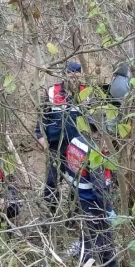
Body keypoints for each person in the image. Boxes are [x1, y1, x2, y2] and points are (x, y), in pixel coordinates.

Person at [63, 117, 122, 267]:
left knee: (87, 239)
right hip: (94, 201)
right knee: (103, 240)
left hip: (80, 198)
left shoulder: (75, 141)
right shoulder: (93, 151)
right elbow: (99, 187)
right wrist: (108, 209)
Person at [35, 61, 86, 213]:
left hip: (78, 148)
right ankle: (50, 213)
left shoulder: (85, 93)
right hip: (56, 146)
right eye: (70, 74)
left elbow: (94, 120)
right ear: (64, 75)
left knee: (77, 183)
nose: (73, 78)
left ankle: (74, 215)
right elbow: (43, 116)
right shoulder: (52, 91)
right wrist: (40, 136)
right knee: (51, 181)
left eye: (77, 75)